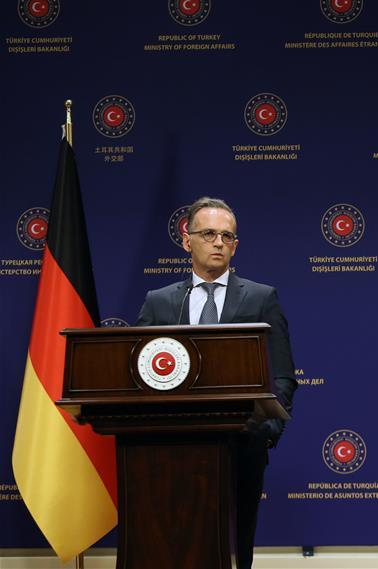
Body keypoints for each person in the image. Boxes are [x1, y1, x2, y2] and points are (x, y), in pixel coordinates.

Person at [135, 196, 297, 569]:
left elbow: (284, 373)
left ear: (235, 244)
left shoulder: (261, 297)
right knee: (174, 538)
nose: (219, 242)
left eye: (228, 236)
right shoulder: (159, 302)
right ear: (186, 239)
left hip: (243, 440)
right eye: (208, 233)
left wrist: (267, 430)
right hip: (173, 443)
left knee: (236, 541)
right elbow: (138, 373)